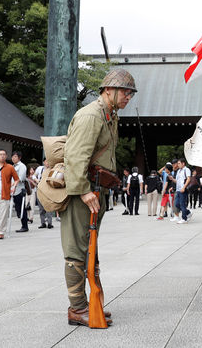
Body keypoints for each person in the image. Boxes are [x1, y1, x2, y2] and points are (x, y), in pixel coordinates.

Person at [60, 68, 135, 327]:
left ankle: (89, 302)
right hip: (83, 192)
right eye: (125, 91)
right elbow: (76, 155)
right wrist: (83, 190)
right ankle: (77, 308)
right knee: (76, 250)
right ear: (108, 90)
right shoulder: (91, 115)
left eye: (130, 93)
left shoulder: (109, 116)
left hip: (95, 191)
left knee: (90, 248)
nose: (128, 96)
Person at [12, 151, 29, 232]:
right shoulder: (12, 166)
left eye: (15, 156)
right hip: (12, 190)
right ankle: (1, 226)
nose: (13, 158)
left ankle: (25, 226)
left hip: (19, 190)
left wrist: (12, 183)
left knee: (21, 209)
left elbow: (21, 178)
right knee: (16, 209)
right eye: (12, 156)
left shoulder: (22, 166)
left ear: (19, 157)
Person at [35, 160, 53, 228]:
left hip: (48, 190)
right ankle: (43, 223)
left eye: (49, 161)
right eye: (46, 161)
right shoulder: (40, 168)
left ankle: (49, 223)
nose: (47, 163)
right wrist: (37, 180)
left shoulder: (52, 169)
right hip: (40, 189)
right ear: (43, 162)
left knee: (49, 207)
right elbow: (34, 176)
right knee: (41, 208)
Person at [174, 157, 193, 224]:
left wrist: (184, 187)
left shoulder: (186, 170)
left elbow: (188, 179)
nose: (178, 165)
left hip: (183, 190)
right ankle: (188, 212)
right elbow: (177, 181)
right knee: (177, 204)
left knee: (182, 204)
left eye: (179, 163)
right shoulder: (178, 171)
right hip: (178, 190)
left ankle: (184, 219)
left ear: (183, 163)